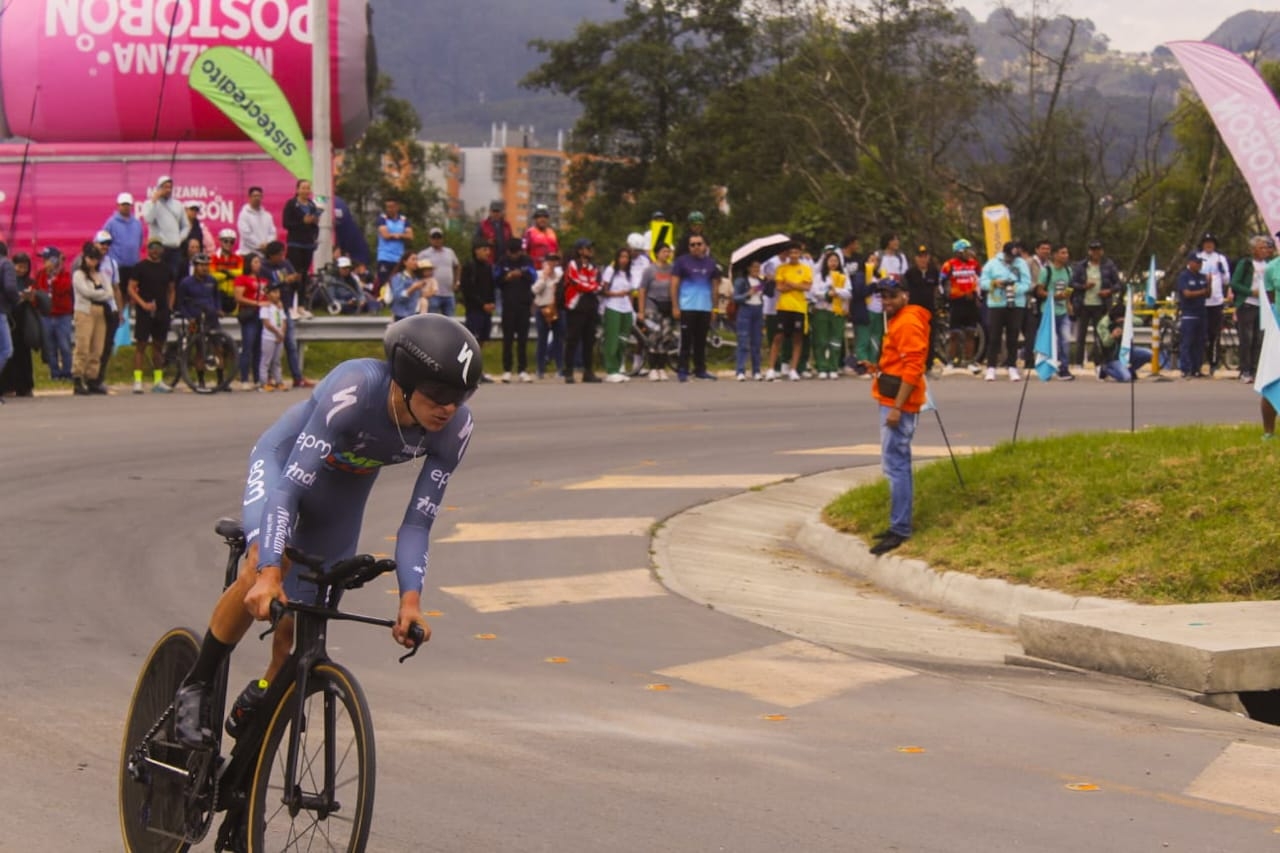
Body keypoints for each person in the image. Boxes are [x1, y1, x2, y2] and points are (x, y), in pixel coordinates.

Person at [170, 314, 484, 748]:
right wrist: (266, 572)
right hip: (284, 468)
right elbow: (287, 492)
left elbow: (417, 522)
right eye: (438, 394)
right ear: (405, 381)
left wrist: (410, 601)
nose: (449, 407)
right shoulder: (355, 390)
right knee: (268, 561)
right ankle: (197, 686)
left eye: (461, 394)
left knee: (300, 629)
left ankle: (260, 703)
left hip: (342, 492)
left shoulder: (455, 429)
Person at [857, 277, 929, 557]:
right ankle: (898, 524)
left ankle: (900, 529)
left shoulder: (909, 323)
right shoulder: (898, 320)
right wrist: (875, 368)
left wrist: (898, 408)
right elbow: (898, 364)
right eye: (882, 296)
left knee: (896, 465)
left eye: (891, 295)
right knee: (895, 464)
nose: (886, 301)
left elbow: (913, 368)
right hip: (891, 398)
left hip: (899, 405)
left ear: (905, 296)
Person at [262, 241, 314, 389]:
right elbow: (267, 287)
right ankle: (268, 378)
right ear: (271, 256)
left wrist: (296, 280)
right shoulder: (264, 268)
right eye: (278, 255)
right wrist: (284, 280)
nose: (281, 257)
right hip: (271, 310)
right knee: (271, 347)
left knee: (290, 343)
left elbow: (294, 279)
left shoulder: (286, 264)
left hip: (285, 308)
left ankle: (297, 377)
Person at [128, 239, 177, 393]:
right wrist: (142, 304)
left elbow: (172, 289)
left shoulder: (166, 268)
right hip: (144, 311)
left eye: (158, 248)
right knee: (141, 346)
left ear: (162, 250)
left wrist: (169, 307)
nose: (155, 251)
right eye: (152, 248)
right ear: (147, 250)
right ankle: (137, 381)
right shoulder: (140, 267)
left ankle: (158, 381)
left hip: (162, 311)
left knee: (158, 346)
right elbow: (131, 288)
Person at [670, 232, 721, 381]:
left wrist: (715, 308)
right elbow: (674, 285)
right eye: (692, 245)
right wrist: (675, 306)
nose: (696, 247)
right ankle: (682, 370)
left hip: (705, 308)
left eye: (699, 244)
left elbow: (715, 287)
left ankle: (700, 369)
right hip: (687, 307)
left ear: (704, 246)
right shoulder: (681, 262)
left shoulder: (711, 263)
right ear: (689, 247)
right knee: (686, 341)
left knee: (701, 341)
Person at [979, 241, 1032, 382]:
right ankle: (991, 367)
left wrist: (1015, 288)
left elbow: (1027, 283)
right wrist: (995, 283)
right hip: (996, 303)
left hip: (1016, 303)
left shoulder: (1021, 264)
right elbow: (982, 282)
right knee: (994, 336)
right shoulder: (992, 263)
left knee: (1013, 336)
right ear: (1004, 253)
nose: (1012, 259)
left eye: (1014, 256)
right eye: (1009, 256)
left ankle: (1012, 366)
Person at [1231, 235, 1276, 383]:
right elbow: (1235, 283)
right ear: (1253, 250)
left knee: (1259, 339)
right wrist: (1251, 292)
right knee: (1247, 339)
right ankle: (1245, 370)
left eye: (1266, 247)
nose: (1265, 250)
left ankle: (1257, 370)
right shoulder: (1246, 264)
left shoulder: (1270, 264)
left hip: (1264, 306)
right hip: (1248, 304)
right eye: (1261, 248)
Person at [70, 243, 112, 396]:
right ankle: (78, 376)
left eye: (96, 259)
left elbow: (110, 293)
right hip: (85, 311)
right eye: (91, 258)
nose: (93, 262)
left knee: (97, 347)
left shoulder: (101, 275)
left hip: (100, 311)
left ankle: (92, 377)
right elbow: (86, 292)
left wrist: (99, 293)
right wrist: (100, 293)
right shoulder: (78, 275)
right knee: (83, 345)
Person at [1069, 240, 1119, 369]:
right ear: (1089, 251)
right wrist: (1084, 286)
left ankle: (1098, 362)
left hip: (1100, 305)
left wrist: (1109, 291)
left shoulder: (1109, 265)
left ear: (1101, 251)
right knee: (1081, 335)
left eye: (1098, 250)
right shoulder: (1081, 266)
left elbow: (1118, 284)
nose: (1095, 253)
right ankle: (1078, 363)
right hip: (1084, 304)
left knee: (1100, 335)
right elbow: (1072, 283)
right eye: (1093, 250)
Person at [764, 243, 810, 382]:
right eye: (791, 253)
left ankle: (793, 369)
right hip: (783, 307)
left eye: (796, 252)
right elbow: (780, 287)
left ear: (800, 254)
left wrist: (791, 284)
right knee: (778, 337)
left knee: (797, 338)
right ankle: (771, 369)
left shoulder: (805, 269)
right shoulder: (781, 268)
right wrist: (797, 286)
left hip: (799, 307)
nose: (793, 255)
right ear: (788, 254)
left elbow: (807, 287)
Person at [493, 238, 536, 382]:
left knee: (523, 339)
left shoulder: (527, 261)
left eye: (517, 252)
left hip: (524, 304)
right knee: (508, 339)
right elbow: (496, 278)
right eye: (512, 252)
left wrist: (522, 274)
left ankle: (523, 370)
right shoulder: (502, 261)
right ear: (508, 251)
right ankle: (507, 370)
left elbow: (534, 276)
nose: (515, 255)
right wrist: (508, 276)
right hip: (508, 305)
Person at [562, 238, 602, 383]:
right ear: (580, 251)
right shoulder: (573, 264)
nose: (591, 250)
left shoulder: (593, 267)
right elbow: (577, 282)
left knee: (589, 340)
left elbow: (598, 284)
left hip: (590, 305)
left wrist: (592, 287)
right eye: (588, 247)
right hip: (576, 305)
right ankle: (568, 371)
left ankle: (588, 372)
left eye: (591, 248)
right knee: (572, 339)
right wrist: (592, 287)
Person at [939, 239, 982, 373]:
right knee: (954, 334)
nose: (970, 252)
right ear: (959, 252)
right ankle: (950, 362)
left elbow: (980, 280)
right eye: (967, 250)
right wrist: (947, 297)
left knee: (970, 332)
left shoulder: (974, 264)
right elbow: (941, 283)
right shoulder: (949, 265)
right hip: (956, 302)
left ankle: (970, 361)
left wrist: (978, 296)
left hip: (971, 302)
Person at [1036, 243, 1076, 381]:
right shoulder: (1046, 271)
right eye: (1063, 253)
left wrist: (1068, 303)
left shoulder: (1068, 271)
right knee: (1050, 341)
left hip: (1063, 311)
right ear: (1055, 255)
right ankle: (1047, 367)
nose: (1066, 256)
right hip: (1048, 311)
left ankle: (1064, 368)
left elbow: (1068, 290)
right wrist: (1053, 296)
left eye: (1067, 253)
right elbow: (1040, 291)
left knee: (1065, 340)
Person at [34, 247, 74, 381]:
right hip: (47, 315)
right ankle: (54, 373)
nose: (45, 262)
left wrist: (55, 276)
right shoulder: (40, 275)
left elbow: (63, 289)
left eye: (47, 259)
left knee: (65, 345)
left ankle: (67, 372)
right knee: (50, 347)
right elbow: (38, 292)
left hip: (62, 315)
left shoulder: (65, 274)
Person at [459, 241, 497, 379]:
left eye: (488, 250)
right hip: (474, 310)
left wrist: (492, 303)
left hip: (487, 310)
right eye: (484, 249)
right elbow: (467, 289)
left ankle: (478, 371)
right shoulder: (469, 267)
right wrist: (482, 305)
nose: (488, 252)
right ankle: (468, 370)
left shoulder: (488, 267)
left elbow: (492, 287)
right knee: (472, 342)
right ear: (476, 250)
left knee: (481, 341)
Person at [0, 252, 36, 398]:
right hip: (9, 318)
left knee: (24, 355)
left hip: (23, 322)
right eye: (18, 266)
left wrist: (31, 297)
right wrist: (18, 297)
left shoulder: (29, 282)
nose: (21, 270)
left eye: (25, 267)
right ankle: (7, 387)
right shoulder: (7, 277)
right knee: (8, 353)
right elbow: (9, 292)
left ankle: (25, 387)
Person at [811, 250, 850, 379]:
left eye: (836, 261)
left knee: (836, 340)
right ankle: (822, 366)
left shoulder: (843, 276)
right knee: (821, 340)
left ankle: (833, 367)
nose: (833, 263)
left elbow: (849, 292)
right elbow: (815, 292)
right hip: (822, 310)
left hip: (837, 311)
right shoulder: (819, 276)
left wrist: (837, 291)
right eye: (831, 261)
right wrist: (827, 294)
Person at [638, 243, 675, 380]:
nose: (667, 254)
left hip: (667, 305)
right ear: (657, 253)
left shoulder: (672, 269)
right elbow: (642, 290)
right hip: (652, 306)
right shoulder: (649, 270)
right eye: (664, 251)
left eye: (668, 252)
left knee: (666, 337)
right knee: (654, 337)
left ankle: (661, 368)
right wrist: (641, 311)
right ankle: (652, 368)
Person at [600, 247, 637, 383]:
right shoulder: (611, 271)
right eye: (622, 256)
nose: (624, 259)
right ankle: (611, 370)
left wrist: (632, 309)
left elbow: (630, 293)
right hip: (613, 306)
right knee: (612, 339)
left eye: (626, 257)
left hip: (626, 308)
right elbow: (603, 291)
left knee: (623, 339)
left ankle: (618, 367)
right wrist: (617, 294)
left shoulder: (629, 274)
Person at [141, 175, 189, 279]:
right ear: (159, 188)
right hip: (158, 249)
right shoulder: (149, 204)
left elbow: (186, 226)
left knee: (173, 278)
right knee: (156, 278)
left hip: (174, 249)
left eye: (170, 187)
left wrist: (179, 239)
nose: (168, 190)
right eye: (165, 187)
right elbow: (148, 219)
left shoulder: (178, 205)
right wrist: (154, 201)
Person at [234, 253, 270, 390]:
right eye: (255, 262)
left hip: (261, 315)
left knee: (258, 349)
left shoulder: (264, 280)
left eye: (259, 262)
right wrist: (256, 303)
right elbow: (239, 297)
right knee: (247, 347)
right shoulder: (242, 279)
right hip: (249, 314)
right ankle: (244, 378)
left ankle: (257, 378)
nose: (258, 265)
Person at [902, 245, 938, 373]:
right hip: (914, 310)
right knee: (914, 338)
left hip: (929, 310)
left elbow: (935, 289)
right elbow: (905, 291)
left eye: (925, 257)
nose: (923, 260)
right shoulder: (910, 273)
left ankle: (928, 365)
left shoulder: (933, 271)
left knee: (929, 337)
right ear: (916, 258)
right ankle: (914, 363)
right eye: (920, 257)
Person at [1095, 302, 1151, 382]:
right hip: (1112, 356)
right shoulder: (1104, 324)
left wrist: (1127, 320)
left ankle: (1130, 370)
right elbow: (1105, 343)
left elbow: (1140, 321)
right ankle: (1104, 369)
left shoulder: (1126, 318)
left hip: (1127, 351)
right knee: (1126, 378)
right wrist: (1112, 336)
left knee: (1148, 354)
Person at [531, 253, 565, 380]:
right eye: (550, 261)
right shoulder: (539, 274)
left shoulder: (559, 275)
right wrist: (544, 278)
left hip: (556, 309)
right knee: (542, 340)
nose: (552, 264)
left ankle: (560, 368)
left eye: (554, 261)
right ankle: (540, 369)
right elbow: (534, 290)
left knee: (558, 340)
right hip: (542, 308)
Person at [101, 191, 145, 287]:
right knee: (118, 291)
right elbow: (102, 242)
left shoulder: (137, 223)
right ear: (118, 205)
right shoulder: (111, 223)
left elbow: (140, 242)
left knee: (132, 292)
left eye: (128, 204)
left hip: (134, 265)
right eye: (123, 204)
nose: (126, 207)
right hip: (117, 266)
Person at [732, 259, 766, 381]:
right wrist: (748, 293)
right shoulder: (741, 281)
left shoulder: (761, 281)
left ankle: (756, 370)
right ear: (748, 268)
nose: (756, 270)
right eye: (754, 267)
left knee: (757, 343)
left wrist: (771, 282)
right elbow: (735, 298)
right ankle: (740, 370)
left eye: (758, 267)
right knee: (743, 341)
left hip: (758, 311)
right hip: (745, 311)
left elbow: (769, 294)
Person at [1177, 252, 1210, 379]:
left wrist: (1209, 284)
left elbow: (1208, 294)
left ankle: (1197, 368)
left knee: (1200, 342)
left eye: (1201, 263)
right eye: (1197, 262)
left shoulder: (1202, 277)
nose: (1199, 265)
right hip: (1189, 313)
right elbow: (1187, 294)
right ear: (1190, 263)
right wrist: (1202, 291)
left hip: (1201, 312)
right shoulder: (1184, 276)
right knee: (1187, 342)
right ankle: (1186, 369)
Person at [282, 179, 322, 278]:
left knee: (304, 274)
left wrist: (314, 223)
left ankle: (302, 293)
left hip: (308, 244)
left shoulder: (312, 205)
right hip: (295, 244)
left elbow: (314, 227)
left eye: (308, 188)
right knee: (294, 273)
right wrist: (302, 222)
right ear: (297, 190)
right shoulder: (291, 204)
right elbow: (286, 223)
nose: (306, 191)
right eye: (303, 188)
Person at [176, 254, 222, 339]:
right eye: (201, 265)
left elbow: (217, 297)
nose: (205, 268)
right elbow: (180, 304)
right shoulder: (185, 283)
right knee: (198, 346)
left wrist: (218, 309)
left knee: (219, 344)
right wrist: (189, 318)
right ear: (195, 266)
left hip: (211, 317)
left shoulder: (212, 280)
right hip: (194, 319)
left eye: (207, 265)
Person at [418, 228, 460, 316]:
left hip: (449, 293)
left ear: (442, 239)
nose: (437, 240)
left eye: (439, 237)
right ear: (429, 239)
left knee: (450, 322)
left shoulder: (449, 252)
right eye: (434, 237)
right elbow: (417, 268)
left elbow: (457, 266)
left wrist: (457, 281)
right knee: (432, 321)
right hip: (433, 294)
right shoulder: (424, 254)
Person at [375, 198, 414, 287]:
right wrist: (400, 235)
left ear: (397, 207)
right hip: (385, 257)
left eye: (391, 207)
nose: (389, 209)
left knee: (399, 284)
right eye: (387, 207)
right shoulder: (382, 219)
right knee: (384, 285)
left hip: (399, 258)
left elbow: (410, 236)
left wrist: (398, 235)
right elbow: (385, 235)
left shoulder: (403, 220)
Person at [257, 283, 288, 391]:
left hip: (279, 337)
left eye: (278, 292)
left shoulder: (279, 306)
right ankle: (263, 382)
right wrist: (277, 333)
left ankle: (279, 381)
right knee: (266, 360)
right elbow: (267, 323)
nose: (277, 295)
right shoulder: (266, 307)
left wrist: (282, 333)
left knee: (277, 361)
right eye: (274, 292)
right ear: (268, 295)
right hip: (269, 337)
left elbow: (284, 320)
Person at [236, 186, 277, 258]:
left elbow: (272, 232)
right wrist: (259, 246)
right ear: (249, 197)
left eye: (259, 196)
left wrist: (267, 245)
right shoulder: (244, 215)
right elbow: (246, 235)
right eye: (254, 196)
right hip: (248, 254)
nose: (257, 198)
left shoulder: (267, 216)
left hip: (265, 254)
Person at [0, 243, 18, 397]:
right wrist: (15, 301)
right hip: (0, 310)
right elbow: (11, 288)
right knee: (6, 350)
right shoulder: (6, 264)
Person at [389, 252, 424, 321]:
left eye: (417, 259)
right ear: (405, 262)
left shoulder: (417, 278)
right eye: (413, 259)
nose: (416, 262)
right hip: (402, 315)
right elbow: (397, 296)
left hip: (415, 314)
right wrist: (412, 288)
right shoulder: (398, 277)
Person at [522, 204, 559, 268]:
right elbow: (523, 251)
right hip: (535, 268)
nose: (542, 219)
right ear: (535, 219)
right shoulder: (529, 232)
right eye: (539, 217)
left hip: (551, 268)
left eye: (545, 217)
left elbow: (557, 250)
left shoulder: (552, 232)